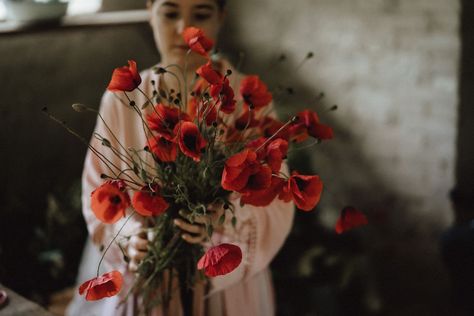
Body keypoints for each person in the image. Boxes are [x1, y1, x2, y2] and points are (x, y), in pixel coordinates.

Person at [66, 0, 294, 315]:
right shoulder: (123, 98)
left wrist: (218, 227)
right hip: (148, 272)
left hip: (222, 276)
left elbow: (276, 196)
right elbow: (99, 188)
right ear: (150, 12)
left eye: (200, 15)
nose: (183, 30)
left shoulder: (246, 97)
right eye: (170, 13)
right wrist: (132, 238)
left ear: (221, 18)